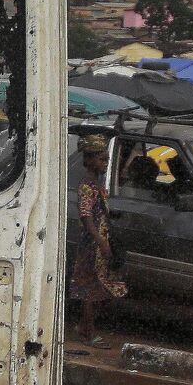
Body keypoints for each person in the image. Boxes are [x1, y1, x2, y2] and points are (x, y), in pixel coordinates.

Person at [71, 142, 126, 347]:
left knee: (96, 288)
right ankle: (88, 333)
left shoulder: (97, 185)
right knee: (90, 290)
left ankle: (84, 328)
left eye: (106, 160)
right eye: (102, 159)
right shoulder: (87, 186)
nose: (105, 163)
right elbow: (86, 217)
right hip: (91, 245)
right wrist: (101, 241)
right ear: (89, 161)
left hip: (97, 242)